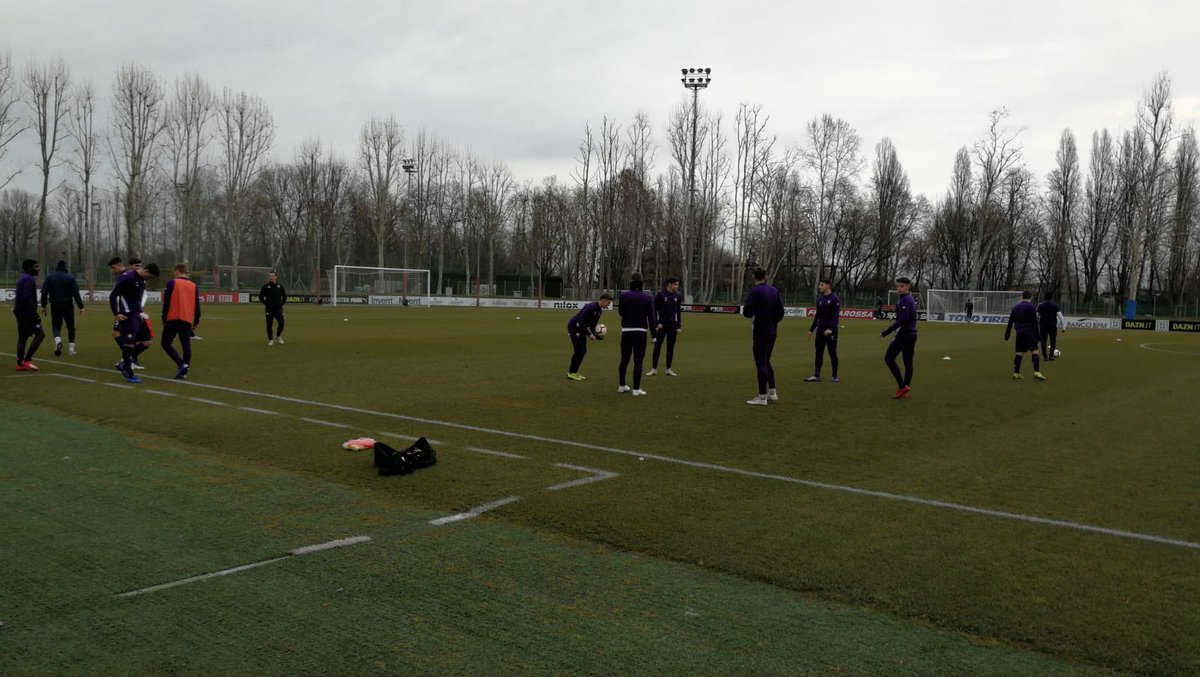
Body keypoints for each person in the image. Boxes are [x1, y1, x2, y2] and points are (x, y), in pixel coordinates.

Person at [111, 261, 160, 383]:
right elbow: (113, 295)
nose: (150, 279)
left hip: (138, 314)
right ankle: (128, 370)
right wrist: (116, 313)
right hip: (128, 316)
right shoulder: (128, 278)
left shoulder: (142, 280)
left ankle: (125, 362)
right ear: (146, 271)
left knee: (147, 342)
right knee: (129, 343)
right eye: (150, 277)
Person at [743, 267, 785, 406]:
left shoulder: (755, 291)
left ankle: (762, 397)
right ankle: (772, 392)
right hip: (772, 331)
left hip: (760, 330)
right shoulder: (774, 290)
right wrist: (773, 322)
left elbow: (747, 312)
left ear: (754, 276)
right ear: (766, 276)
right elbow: (781, 312)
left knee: (760, 362)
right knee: (767, 361)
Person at [617, 273, 655, 396]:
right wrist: (654, 335)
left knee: (624, 359)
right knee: (638, 361)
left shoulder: (623, 295)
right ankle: (636, 389)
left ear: (631, 281)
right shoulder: (647, 297)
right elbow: (651, 317)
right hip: (640, 331)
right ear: (641, 282)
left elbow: (621, 312)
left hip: (626, 331)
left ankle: (622, 385)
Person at [161, 264, 201, 380]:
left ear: (177, 271)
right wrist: (196, 320)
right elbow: (197, 306)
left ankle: (181, 364)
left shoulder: (172, 283)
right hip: (186, 318)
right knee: (186, 345)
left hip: (173, 317)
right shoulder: (194, 286)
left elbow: (166, 302)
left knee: (166, 343)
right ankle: (184, 372)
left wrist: (164, 318)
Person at [880, 276, 918, 399]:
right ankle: (905, 389)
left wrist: (886, 332)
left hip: (905, 334)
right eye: (898, 286)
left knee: (889, 358)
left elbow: (903, 320)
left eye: (901, 286)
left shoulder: (906, 299)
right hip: (912, 334)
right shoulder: (906, 299)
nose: (899, 288)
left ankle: (902, 386)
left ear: (908, 287)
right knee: (908, 361)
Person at [40, 260, 85, 356]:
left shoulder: (50, 277)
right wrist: (81, 306)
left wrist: (44, 305)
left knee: (56, 325)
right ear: (65, 267)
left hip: (55, 305)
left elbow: (44, 292)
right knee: (70, 327)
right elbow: (75, 293)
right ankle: (71, 349)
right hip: (68, 305)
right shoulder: (70, 278)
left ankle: (57, 340)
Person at [565, 293, 613, 380]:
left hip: (581, 328)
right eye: (608, 303)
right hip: (574, 326)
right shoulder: (591, 307)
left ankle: (574, 372)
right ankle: (571, 373)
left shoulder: (599, 311)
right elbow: (580, 321)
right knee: (579, 350)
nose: (609, 305)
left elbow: (592, 325)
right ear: (603, 301)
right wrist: (589, 334)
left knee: (583, 350)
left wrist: (597, 336)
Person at [805, 278, 841, 383]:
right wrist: (811, 330)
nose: (819, 286)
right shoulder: (820, 299)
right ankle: (816, 375)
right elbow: (817, 316)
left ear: (828, 286)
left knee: (832, 353)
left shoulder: (835, 299)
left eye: (822, 284)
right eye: (820, 284)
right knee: (818, 352)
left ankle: (834, 375)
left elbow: (835, 316)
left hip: (831, 331)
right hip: (820, 330)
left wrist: (830, 329)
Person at [12, 259, 45, 371]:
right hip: (26, 312)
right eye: (35, 267)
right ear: (28, 268)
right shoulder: (29, 279)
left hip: (20, 311)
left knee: (23, 337)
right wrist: (35, 314)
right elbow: (26, 297)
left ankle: (20, 364)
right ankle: (27, 360)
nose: (38, 269)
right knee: (40, 334)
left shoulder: (23, 277)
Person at [1005, 290, 1045, 381]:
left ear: (1022, 297)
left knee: (1019, 352)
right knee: (1034, 351)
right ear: (1031, 297)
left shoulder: (1016, 307)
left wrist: (1007, 334)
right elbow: (1035, 322)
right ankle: (1037, 372)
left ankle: (1016, 373)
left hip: (1019, 332)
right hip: (1030, 332)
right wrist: (1038, 336)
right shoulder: (1031, 307)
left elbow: (1010, 321)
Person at [647, 276, 682, 377]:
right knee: (657, 347)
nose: (677, 286)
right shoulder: (660, 295)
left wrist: (678, 325)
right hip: (661, 326)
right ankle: (654, 369)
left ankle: (668, 369)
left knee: (670, 347)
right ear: (669, 284)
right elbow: (654, 310)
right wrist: (657, 323)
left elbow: (678, 312)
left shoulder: (678, 296)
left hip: (672, 325)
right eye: (675, 284)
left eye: (678, 284)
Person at [259, 271, 287, 345]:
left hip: (278, 309)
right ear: (268, 277)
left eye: (273, 276)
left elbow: (284, 297)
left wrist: (281, 304)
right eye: (270, 276)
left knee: (281, 323)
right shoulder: (265, 287)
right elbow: (260, 297)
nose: (271, 277)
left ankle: (278, 336)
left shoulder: (280, 286)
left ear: (276, 277)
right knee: (269, 324)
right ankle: (270, 339)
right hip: (269, 309)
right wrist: (266, 303)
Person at [1036, 294, 1065, 360]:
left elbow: (1036, 316)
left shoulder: (1041, 305)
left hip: (1043, 325)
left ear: (1045, 297)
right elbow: (1060, 317)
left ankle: (1045, 356)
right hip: (1052, 326)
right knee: (1053, 341)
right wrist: (1063, 327)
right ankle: (1051, 356)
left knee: (1043, 341)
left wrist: (1036, 325)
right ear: (1051, 298)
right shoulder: (1055, 305)